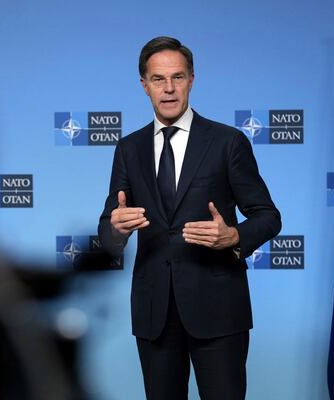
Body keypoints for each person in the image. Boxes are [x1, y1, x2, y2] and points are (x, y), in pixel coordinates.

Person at [98, 37, 281, 399]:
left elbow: (268, 216)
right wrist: (116, 230)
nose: (168, 89)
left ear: (192, 80)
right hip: (155, 316)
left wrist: (234, 238)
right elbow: (108, 228)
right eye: (158, 79)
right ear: (144, 85)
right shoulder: (128, 148)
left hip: (219, 311)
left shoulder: (227, 142)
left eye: (178, 77)